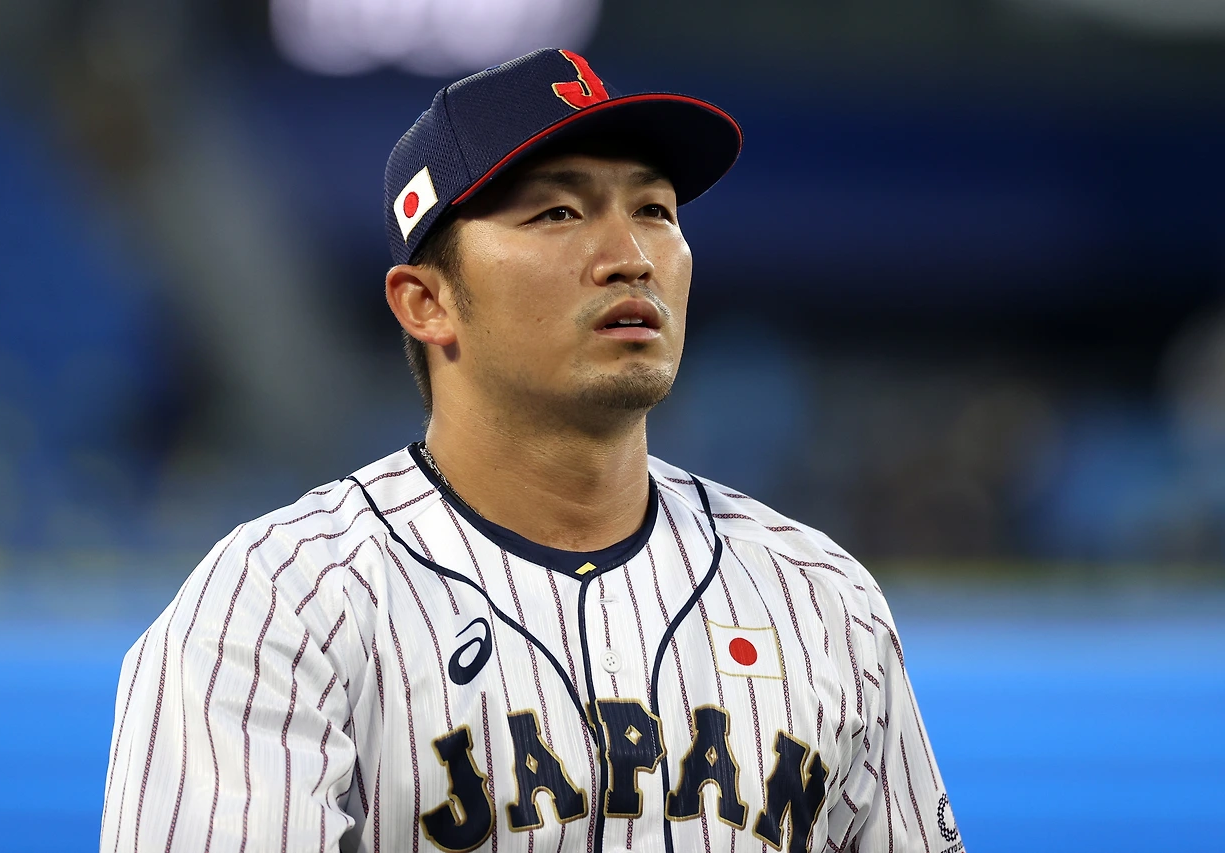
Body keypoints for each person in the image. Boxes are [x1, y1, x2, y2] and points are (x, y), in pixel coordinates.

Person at [101, 48, 963, 853]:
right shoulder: (281, 608)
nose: (631, 258)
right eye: (557, 212)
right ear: (427, 302)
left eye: (655, 211)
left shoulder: (823, 599)